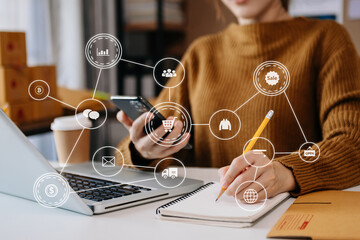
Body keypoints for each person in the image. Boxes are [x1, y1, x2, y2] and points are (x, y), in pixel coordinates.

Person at [117, 0, 360, 201]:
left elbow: (352, 143)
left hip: (285, 221)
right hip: (203, 223)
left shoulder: (328, 39)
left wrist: (286, 173)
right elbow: (120, 157)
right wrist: (142, 152)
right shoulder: (201, 54)